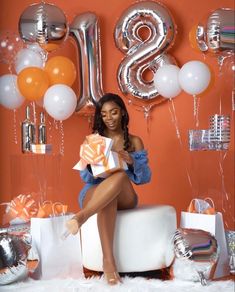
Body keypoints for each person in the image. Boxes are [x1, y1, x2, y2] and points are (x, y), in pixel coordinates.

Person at [66, 93, 151, 285]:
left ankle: (82, 216)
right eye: (104, 114)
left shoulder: (135, 141)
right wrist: (91, 166)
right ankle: (109, 263)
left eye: (113, 112)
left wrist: (131, 163)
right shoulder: (94, 141)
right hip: (94, 191)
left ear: (122, 112)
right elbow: (84, 177)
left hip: (125, 195)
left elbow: (144, 178)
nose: (109, 118)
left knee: (119, 176)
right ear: (100, 117)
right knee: (107, 199)